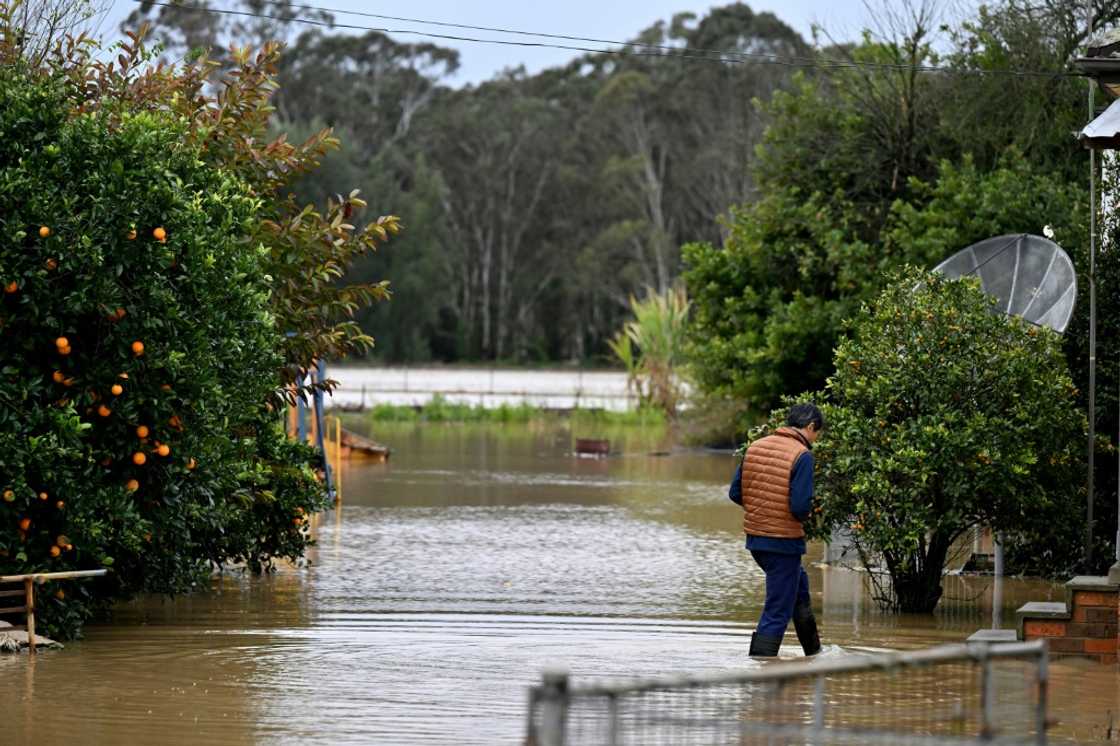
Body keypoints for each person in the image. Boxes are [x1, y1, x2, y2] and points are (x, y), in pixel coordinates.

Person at [729, 403, 823, 657]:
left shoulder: (755, 447)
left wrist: (764, 510)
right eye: (817, 433)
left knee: (799, 593)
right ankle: (761, 670)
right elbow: (800, 506)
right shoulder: (802, 455)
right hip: (782, 542)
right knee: (777, 609)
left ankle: (815, 656)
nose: (816, 439)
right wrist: (811, 512)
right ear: (811, 426)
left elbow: (735, 493)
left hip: (757, 541)